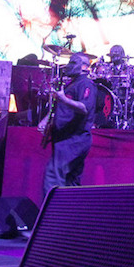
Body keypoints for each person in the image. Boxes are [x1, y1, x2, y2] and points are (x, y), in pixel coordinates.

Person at [42, 52, 98, 197]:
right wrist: (47, 120)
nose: (69, 66)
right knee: (71, 182)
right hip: (66, 138)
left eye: (73, 63)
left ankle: (52, 210)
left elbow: (84, 108)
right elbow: (60, 106)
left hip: (74, 139)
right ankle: (72, 209)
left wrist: (64, 99)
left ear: (84, 67)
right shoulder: (72, 84)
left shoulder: (86, 84)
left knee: (53, 178)